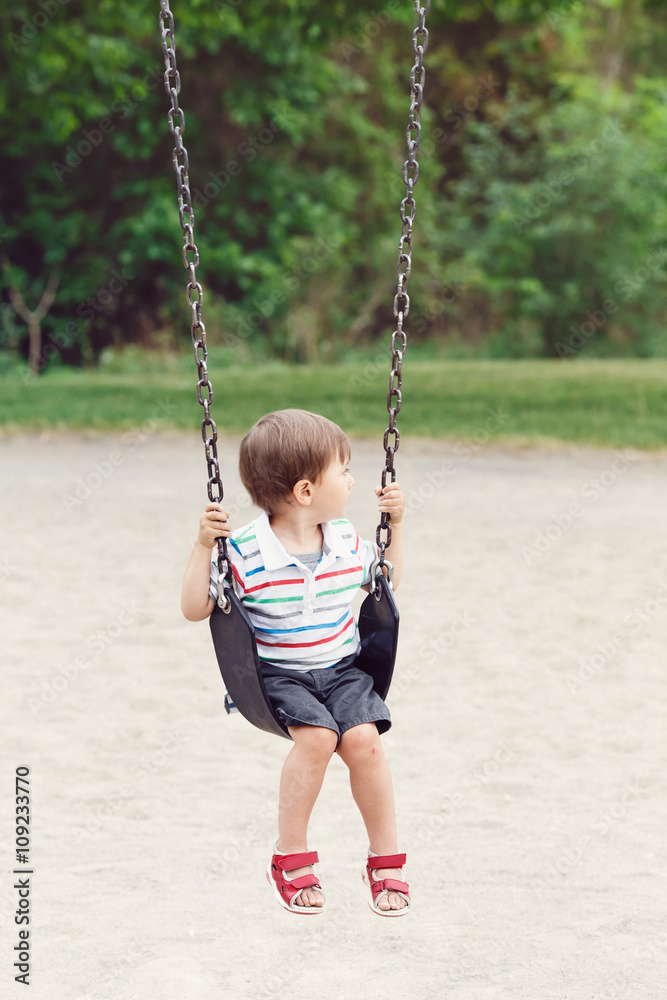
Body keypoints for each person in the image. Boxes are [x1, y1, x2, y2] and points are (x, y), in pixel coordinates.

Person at [181, 409, 410, 916]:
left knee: (365, 741)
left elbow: (387, 583)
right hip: (279, 678)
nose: (353, 480)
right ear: (306, 491)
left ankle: (386, 858)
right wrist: (202, 546)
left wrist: (395, 525)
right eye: (344, 470)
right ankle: (290, 857)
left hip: (344, 669)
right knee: (318, 738)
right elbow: (196, 608)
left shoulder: (348, 539)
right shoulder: (242, 551)